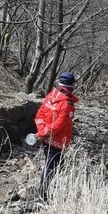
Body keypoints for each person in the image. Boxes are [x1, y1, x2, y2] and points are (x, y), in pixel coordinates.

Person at [34, 71, 78, 200]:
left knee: (53, 165)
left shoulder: (50, 96)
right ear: (71, 85)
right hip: (57, 141)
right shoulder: (67, 103)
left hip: (46, 139)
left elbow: (39, 116)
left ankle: (46, 191)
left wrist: (42, 132)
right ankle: (43, 195)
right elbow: (59, 125)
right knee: (52, 168)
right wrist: (43, 133)